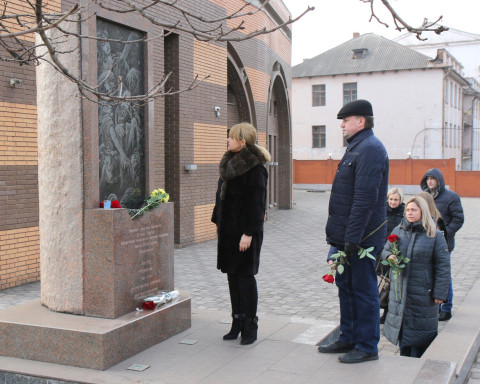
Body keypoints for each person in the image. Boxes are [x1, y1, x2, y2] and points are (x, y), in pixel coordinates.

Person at [319, 99, 389, 363]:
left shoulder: (370, 149)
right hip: (348, 237)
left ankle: (368, 346)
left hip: (363, 239)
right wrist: (338, 242)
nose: (341, 125)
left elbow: (364, 199)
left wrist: (351, 238)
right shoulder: (357, 148)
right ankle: (348, 337)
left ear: (361, 122)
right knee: (346, 288)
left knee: (363, 290)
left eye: (346, 121)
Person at [211, 122, 270, 345]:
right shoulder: (229, 163)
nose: (228, 140)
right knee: (232, 277)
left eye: (231, 137)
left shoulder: (255, 169)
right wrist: (217, 219)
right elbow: (221, 195)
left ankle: (250, 326)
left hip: (245, 233)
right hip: (228, 231)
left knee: (245, 278)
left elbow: (257, 205)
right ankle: (236, 322)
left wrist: (249, 233)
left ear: (242, 141)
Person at [382, 196, 450, 358]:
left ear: (423, 212)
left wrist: (440, 294)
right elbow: (385, 250)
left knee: (421, 335)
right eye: (408, 210)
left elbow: (443, 266)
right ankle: (405, 364)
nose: (410, 213)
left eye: (414, 210)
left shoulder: (435, 235)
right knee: (403, 333)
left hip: (423, 293)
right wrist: (389, 257)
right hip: (399, 291)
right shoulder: (398, 231)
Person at [420, 168, 464, 321]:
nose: (430, 181)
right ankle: (435, 306)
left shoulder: (451, 197)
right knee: (429, 274)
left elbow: (458, 220)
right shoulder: (424, 197)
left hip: (443, 243)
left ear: (439, 180)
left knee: (443, 275)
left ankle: (446, 307)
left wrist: (444, 234)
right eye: (427, 178)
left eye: (433, 178)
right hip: (425, 242)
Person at [379, 187, 405, 324]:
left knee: (394, 284)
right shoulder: (382, 211)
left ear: (401, 200)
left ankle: (391, 312)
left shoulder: (405, 213)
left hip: (397, 253)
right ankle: (384, 310)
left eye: (396, 200)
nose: (393, 202)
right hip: (383, 252)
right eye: (391, 199)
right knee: (384, 283)